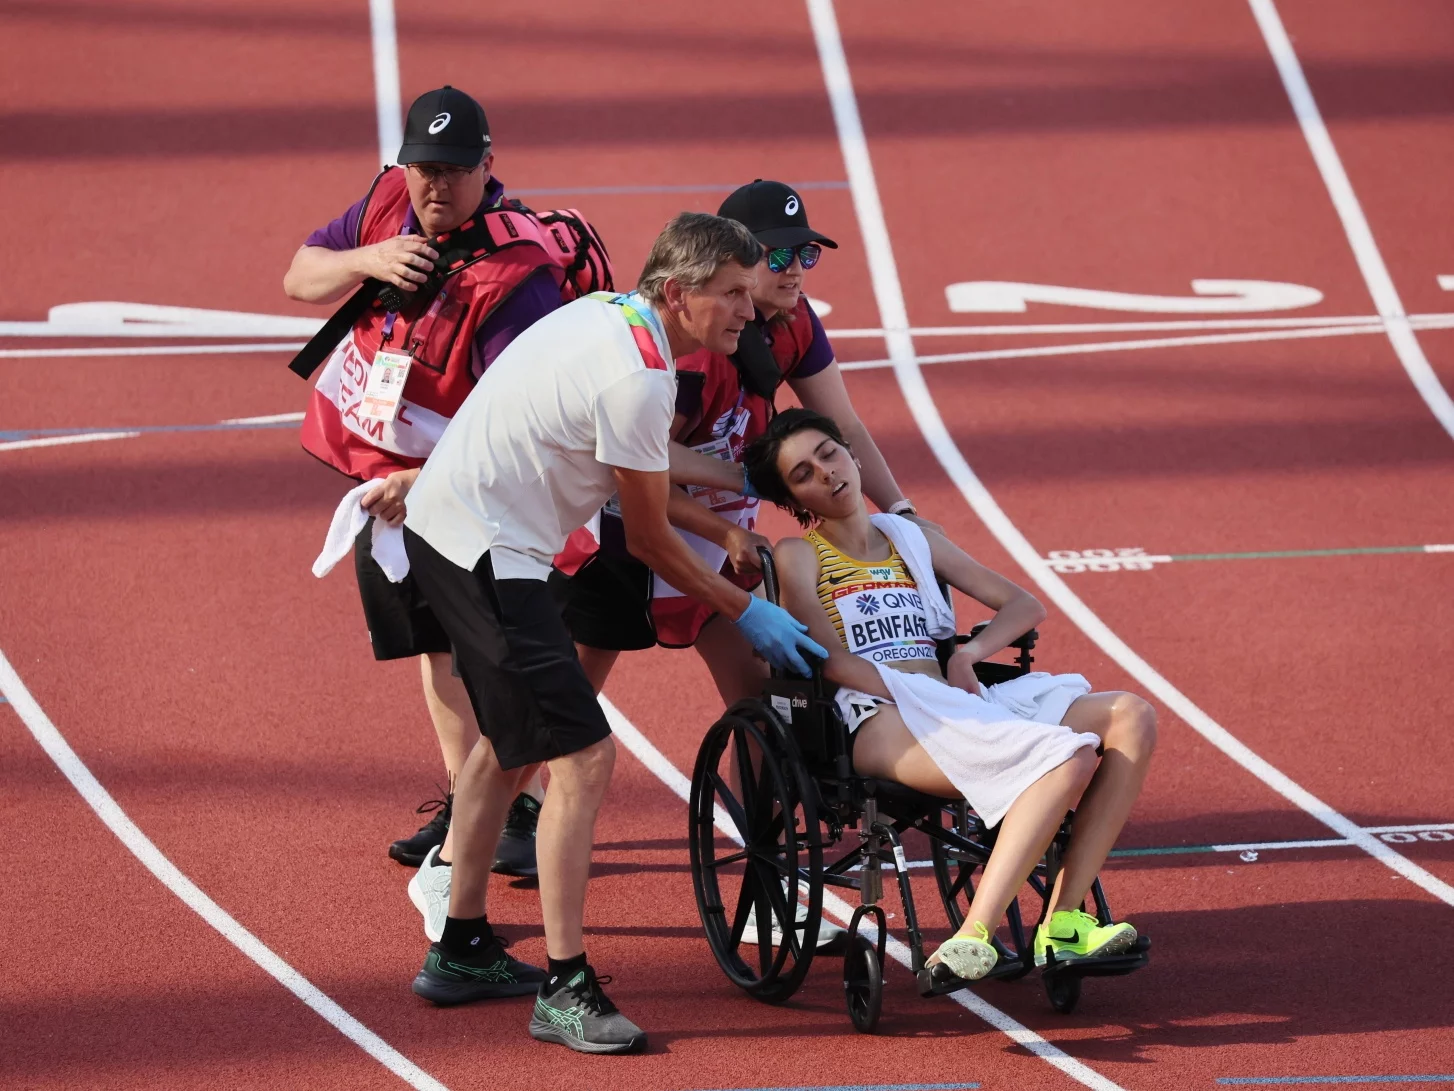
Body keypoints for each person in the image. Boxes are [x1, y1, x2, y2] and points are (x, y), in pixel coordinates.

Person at [399, 213, 827, 1053]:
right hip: (487, 551)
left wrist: (747, 477)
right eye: (732, 294)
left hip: (458, 532)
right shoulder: (641, 378)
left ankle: (460, 945)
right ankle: (564, 987)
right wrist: (750, 612)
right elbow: (654, 536)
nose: (749, 310)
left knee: (507, 743)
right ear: (678, 293)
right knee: (585, 755)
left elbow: (651, 466)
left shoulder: (614, 318)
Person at [548, 179, 922, 950]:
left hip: (721, 532)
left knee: (764, 697)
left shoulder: (789, 322)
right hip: (626, 532)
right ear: (736, 265)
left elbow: (842, 421)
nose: (794, 270)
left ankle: (771, 867)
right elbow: (641, 469)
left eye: (807, 253)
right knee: (564, 706)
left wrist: (904, 517)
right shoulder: (690, 353)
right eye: (778, 256)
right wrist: (735, 504)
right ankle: (476, 829)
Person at [744, 408, 1157, 982]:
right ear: (796, 499)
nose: (827, 473)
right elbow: (829, 659)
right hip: (876, 714)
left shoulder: (912, 539)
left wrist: (967, 655)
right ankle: (972, 937)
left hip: (950, 698)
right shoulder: (799, 553)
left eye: (829, 454)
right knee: (1066, 757)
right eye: (804, 473)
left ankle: (1064, 921)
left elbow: (1022, 605)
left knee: (1132, 715)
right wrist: (914, 689)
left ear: (854, 455)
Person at [284, 86, 549, 876]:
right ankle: (468, 801)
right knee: (432, 645)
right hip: (386, 485)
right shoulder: (389, 199)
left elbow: (520, 422)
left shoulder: (515, 280)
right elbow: (300, 277)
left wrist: (428, 477)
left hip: (472, 491)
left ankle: (518, 809)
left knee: (494, 655)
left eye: (455, 171)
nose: (436, 186)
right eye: (424, 168)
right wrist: (370, 259)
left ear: (488, 165)